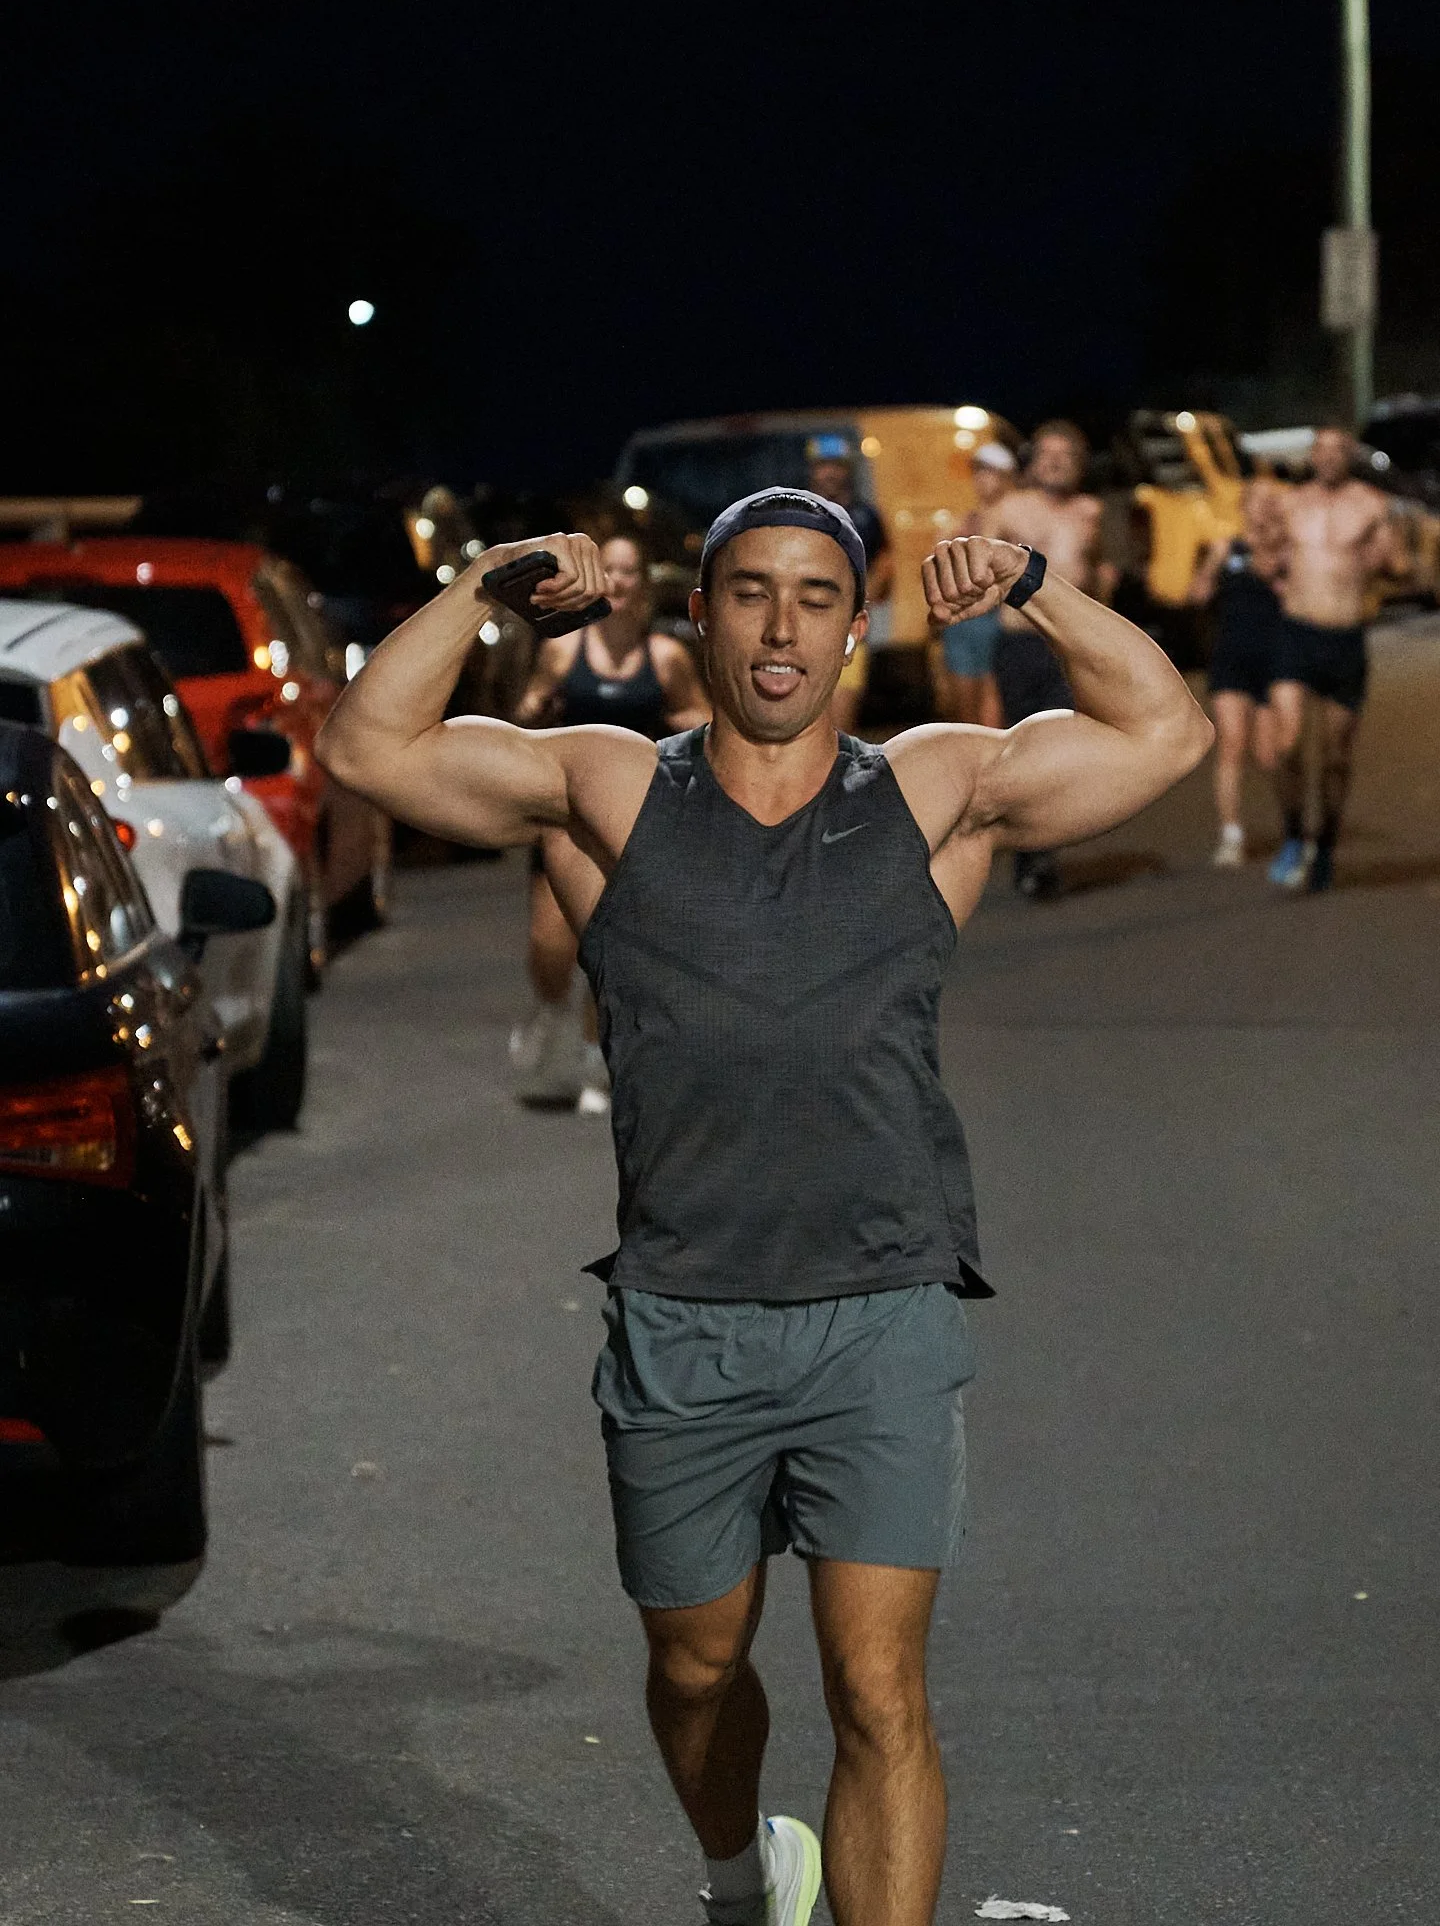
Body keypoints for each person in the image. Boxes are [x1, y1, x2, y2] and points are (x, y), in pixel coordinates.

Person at [316, 487, 1210, 1926]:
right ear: (698, 615)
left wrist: (1038, 584)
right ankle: (745, 1877)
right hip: (684, 1320)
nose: (779, 622)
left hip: (883, 1309)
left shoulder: (931, 787)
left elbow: (1168, 733)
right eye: (748, 591)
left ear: (855, 631)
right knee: (693, 1669)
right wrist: (487, 585)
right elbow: (366, 747)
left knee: (879, 1690)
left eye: (812, 595)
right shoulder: (607, 786)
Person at [510, 529, 708, 1110]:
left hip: (631, 819)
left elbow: (702, 717)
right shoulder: (563, 650)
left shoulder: (666, 658)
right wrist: (531, 711)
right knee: (550, 944)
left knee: (607, 945)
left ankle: (598, 1058)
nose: (619, 581)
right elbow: (529, 707)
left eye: (629, 571)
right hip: (562, 816)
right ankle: (551, 1009)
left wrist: (684, 731)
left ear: (641, 585)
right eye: (610, 570)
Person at [1265, 425, 1404, 894]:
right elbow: (1266, 557)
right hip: (1294, 634)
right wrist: (1270, 569)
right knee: (1285, 743)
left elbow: (1399, 565)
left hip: (1344, 638)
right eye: (1320, 449)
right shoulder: (1289, 503)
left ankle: (1324, 843)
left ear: (1350, 456)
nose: (1327, 457)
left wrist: (1389, 559)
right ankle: (1292, 834)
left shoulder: (1371, 505)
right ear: (1311, 456)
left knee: (1336, 756)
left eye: (1337, 450)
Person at [985, 420, 1114, 897]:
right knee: (1023, 751)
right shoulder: (1008, 507)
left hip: (1067, 648)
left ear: (1079, 465)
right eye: (1048, 453)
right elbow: (975, 562)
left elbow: (1097, 573)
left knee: (1059, 752)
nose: (1056, 461)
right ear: (1034, 462)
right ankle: (1029, 854)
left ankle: (1044, 851)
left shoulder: (1090, 512)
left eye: (1066, 454)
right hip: (1019, 645)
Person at [1189, 473, 1288, 866]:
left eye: (1271, 500)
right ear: (1243, 506)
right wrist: (1211, 566)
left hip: (1275, 659)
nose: (1263, 507)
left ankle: (1292, 828)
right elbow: (1196, 595)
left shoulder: (1289, 553)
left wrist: (1277, 572)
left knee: (1269, 753)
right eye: (1256, 500)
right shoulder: (1227, 549)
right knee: (1231, 744)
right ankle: (1232, 835)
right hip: (1231, 657)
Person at [803, 434, 894, 733]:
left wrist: (865, 597)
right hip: (802, 631)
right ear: (812, 470)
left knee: (840, 724)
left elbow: (885, 559)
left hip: (848, 631)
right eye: (822, 466)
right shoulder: (798, 513)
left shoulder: (865, 515)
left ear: (847, 470)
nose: (829, 472)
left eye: (837, 466)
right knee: (804, 719)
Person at [930, 442, 1013, 729]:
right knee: (963, 714)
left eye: (988, 472)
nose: (980, 478)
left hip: (998, 622)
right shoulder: (967, 518)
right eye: (977, 471)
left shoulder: (1011, 515)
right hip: (963, 624)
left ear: (1005, 476)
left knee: (993, 711)